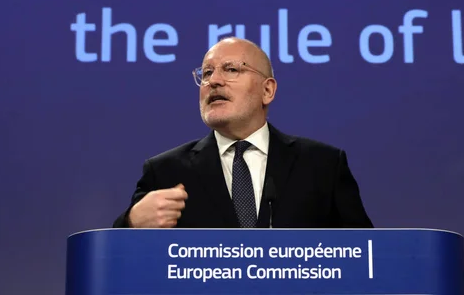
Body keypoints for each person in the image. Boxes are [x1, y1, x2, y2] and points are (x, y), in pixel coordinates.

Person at [112, 37, 373, 229]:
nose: (213, 81)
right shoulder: (165, 172)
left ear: (267, 91)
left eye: (232, 69)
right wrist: (131, 224)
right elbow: (121, 266)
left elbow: (367, 257)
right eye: (206, 73)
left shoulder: (323, 166)